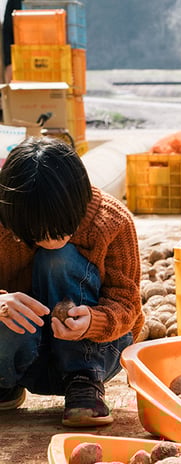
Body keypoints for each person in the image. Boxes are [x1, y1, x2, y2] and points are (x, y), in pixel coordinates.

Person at [0, 137, 143, 427]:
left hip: (97, 353)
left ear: (80, 202)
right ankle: (4, 383)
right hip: (25, 358)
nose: (49, 239)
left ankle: (84, 380)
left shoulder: (110, 221)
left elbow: (128, 305)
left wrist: (94, 321)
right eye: (35, 233)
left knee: (57, 258)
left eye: (60, 229)